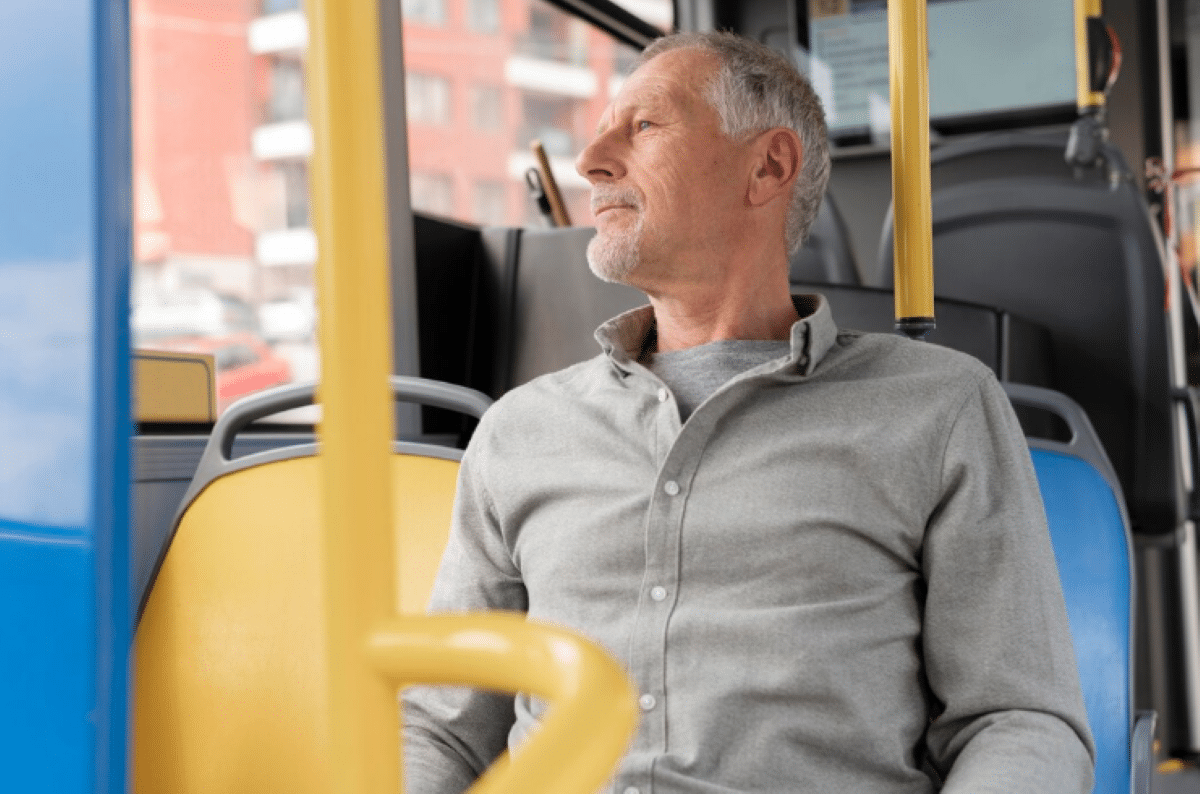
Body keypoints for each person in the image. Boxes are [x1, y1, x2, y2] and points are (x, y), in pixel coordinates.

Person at [403, 31, 1095, 793]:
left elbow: (1017, 721)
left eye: (643, 125)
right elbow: (442, 727)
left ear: (768, 166)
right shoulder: (519, 431)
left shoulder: (938, 408)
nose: (591, 159)